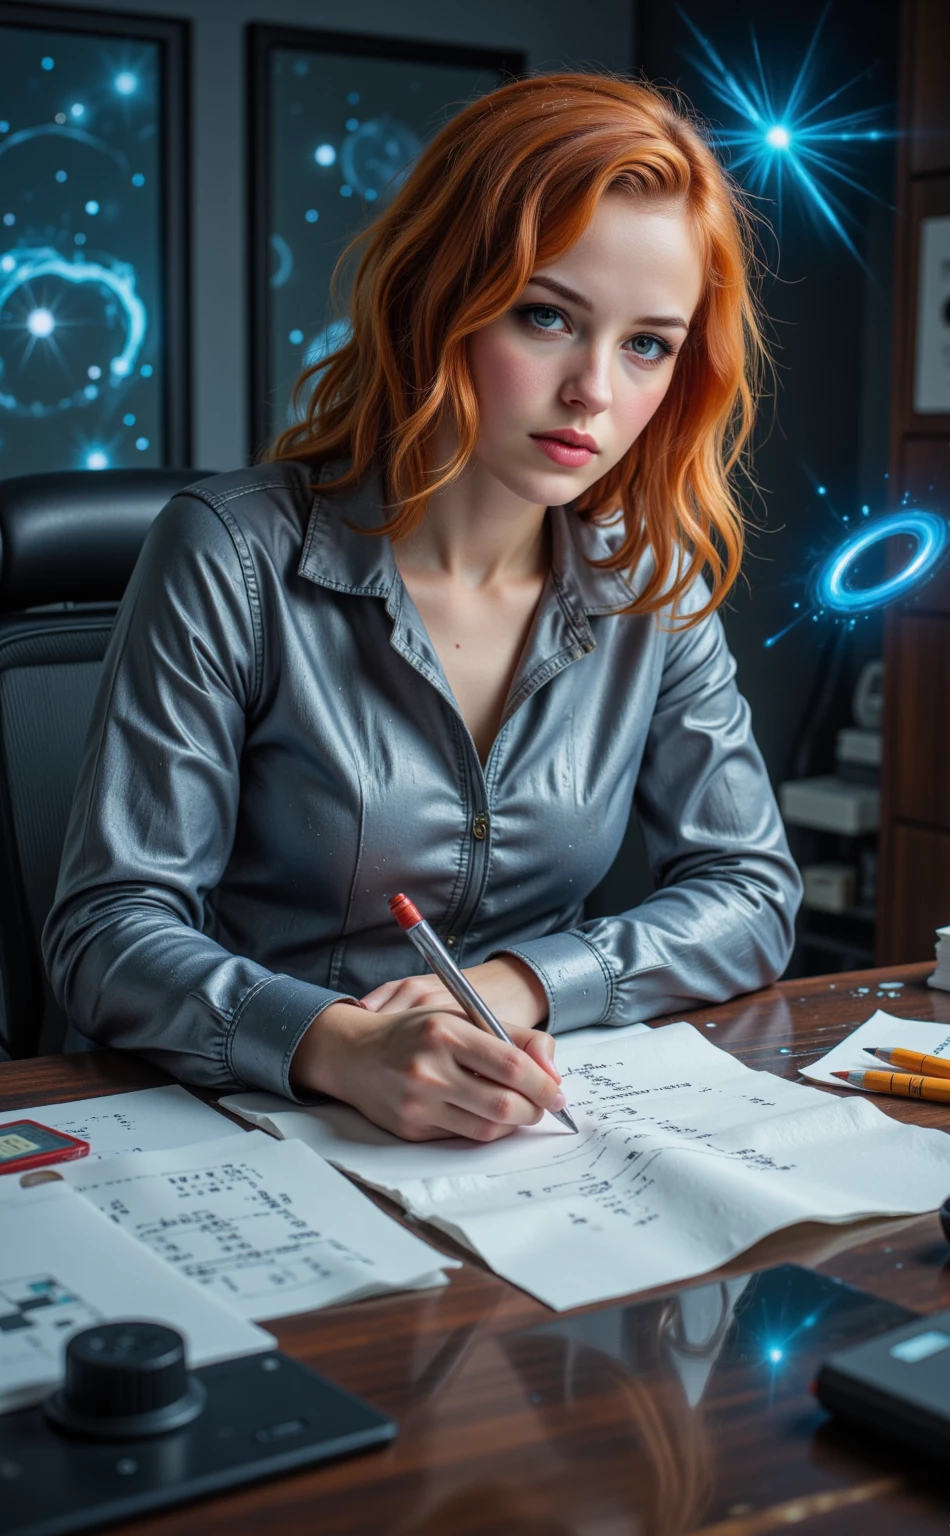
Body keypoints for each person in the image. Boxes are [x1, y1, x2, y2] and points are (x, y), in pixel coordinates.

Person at [43, 72, 802, 1143]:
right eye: (547, 316)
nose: (593, 388)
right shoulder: (229, 552)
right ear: (438, 297)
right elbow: (106, 931)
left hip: (528, 1133)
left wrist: (513, 984)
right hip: (251, 1128)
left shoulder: (652, 581)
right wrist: (335, 1044)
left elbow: (749, 891)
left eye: (647, 344)